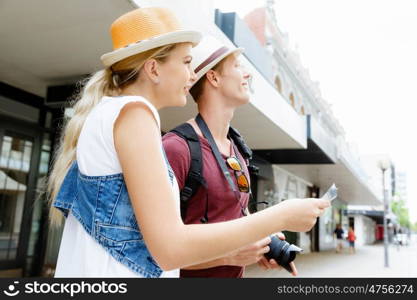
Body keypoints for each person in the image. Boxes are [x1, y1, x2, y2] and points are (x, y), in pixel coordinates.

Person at [47, 7, 330, 278]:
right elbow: (171, 249)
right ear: (154, 69)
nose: (192, 74)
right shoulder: (135, 113)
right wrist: (280, 216)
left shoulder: (117, 114)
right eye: (185, 62)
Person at [163, 36, 295, 277]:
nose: (247, 74)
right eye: (237, 66)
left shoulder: (238, 150)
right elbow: (153, 249)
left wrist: (259, 237)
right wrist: (229, 254)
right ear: (213, 77)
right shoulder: (176, 148)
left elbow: (232, 218)